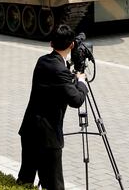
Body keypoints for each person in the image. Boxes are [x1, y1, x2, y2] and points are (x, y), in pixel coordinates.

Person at [18, 25, 88, 190]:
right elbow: (76, 100)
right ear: (71, 45)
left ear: (51, 43)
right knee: (54, 185)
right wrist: (81, 81)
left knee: (25, 178)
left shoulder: (42, 61)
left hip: (29, 130)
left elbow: (58, 81)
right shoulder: (60, 71)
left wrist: (70, 72)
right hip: (47, 138)